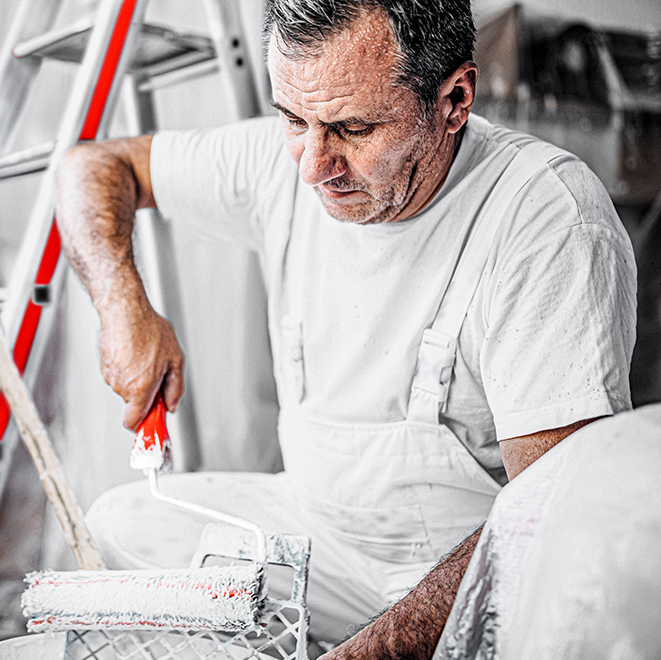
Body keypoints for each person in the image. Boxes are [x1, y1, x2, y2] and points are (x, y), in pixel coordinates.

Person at [54, 0, 637, 657]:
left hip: (480, 577)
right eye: (293, 120)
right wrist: (122, 306)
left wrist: (374, 649)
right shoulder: (288, 161)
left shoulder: (545, 217)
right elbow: (91, 168)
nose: (312, 166)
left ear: (454, 99)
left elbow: (547, 515)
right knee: (124, 524)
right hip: (324, 537)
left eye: (353, 129)